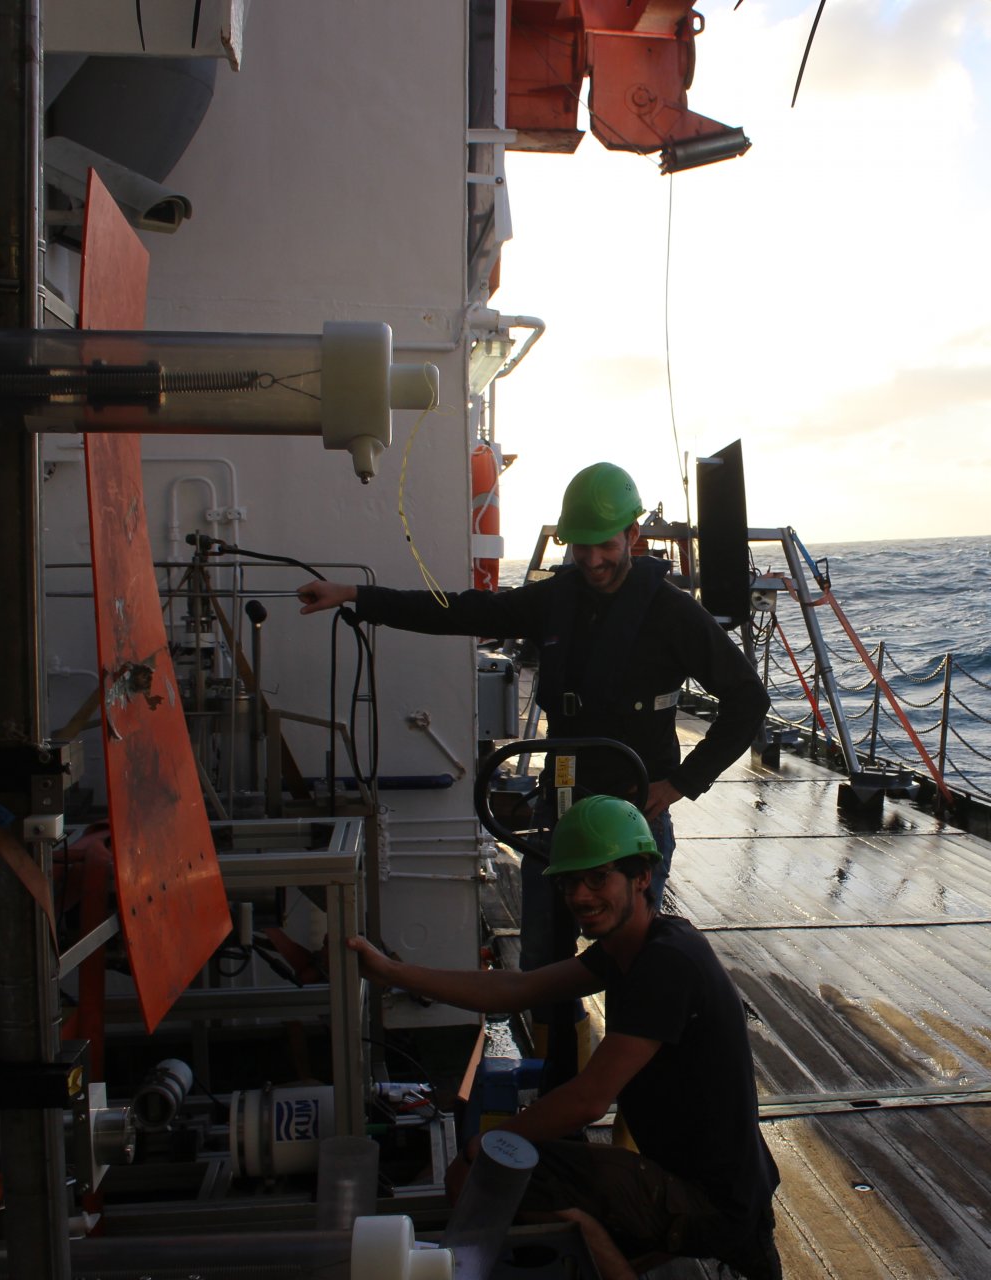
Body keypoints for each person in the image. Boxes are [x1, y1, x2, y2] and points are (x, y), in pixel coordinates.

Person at [296, 460, 770, 909]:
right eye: (581, 546)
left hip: (635, 810)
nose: (592, 559)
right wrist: (357, 596)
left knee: (635, 958)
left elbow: (748, 700)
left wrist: (681, 783)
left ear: (632, 535)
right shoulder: (554, 599)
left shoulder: (674, 614)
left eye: (605, 544)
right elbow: (462, 611)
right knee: (543, 948)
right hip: (560, 800)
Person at [347, 796, 782, 1280]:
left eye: (599, 878)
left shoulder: (665, 965)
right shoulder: (632, 946)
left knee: (486, 1175)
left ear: (642, 878)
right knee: (509, 1166)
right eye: (571, 881)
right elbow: (518, 989)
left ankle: (598, 1244)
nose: (580, 895)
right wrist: (393, 971)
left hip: (709, 1203)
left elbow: (588, 1101)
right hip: (721, 1186)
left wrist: (485, 1148)